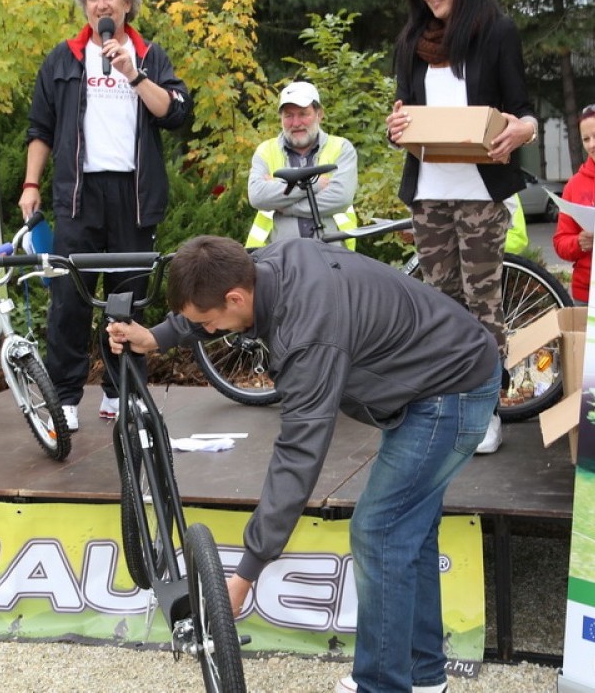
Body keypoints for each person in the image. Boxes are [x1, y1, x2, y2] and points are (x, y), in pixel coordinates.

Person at [107, 234, 501, 693]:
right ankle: (423, 676)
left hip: (451, 394)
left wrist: (247, 571)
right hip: (443, 373)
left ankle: (382, 686)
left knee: (378, 531)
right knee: (408, 532)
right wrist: (156, 336)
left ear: (236, 296)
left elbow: (299, 453)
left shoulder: (309, 337)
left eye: (210, 322)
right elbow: (208, 311)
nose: (209, 332)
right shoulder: (271, 262)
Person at [19, 0, 192, 431]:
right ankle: (65, 398)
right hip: (78, 194)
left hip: (134, 195)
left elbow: (177, 114)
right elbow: (41, 128)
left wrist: (134, 74)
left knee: (127, 299)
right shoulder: (64, 57)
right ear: (84, 7)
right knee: (69, 299)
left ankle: (122, 390)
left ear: (128, 4)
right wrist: (31, 184)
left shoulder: (150, 55)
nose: (101, 5)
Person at [386, 0, 538, 455]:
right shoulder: (411, 40)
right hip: (429, 192)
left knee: (481, 304)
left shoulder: (496, 31)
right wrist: (395, 128)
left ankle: (486, 411)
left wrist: (520, 132)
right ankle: (450, 408)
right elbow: (404, 119)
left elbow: (524, 112)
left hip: (480, 191)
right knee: (441, 306)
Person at [246, 81, 358, 248]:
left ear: (319, 114)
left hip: (331, 256)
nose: (296, 123)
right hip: (280, 258)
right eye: (288, 116)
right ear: (281, 119)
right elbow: (257, 196)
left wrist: (283, 203)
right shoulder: (265, 151)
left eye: (303, 114)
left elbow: (340, 198)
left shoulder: (342, 148)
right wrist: (315, 185)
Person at [553, 104, 595, 306]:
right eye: (586, 139)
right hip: (586, 294)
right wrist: (579, 243)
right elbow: (560, 242)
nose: (591, 145)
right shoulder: (574, 185)